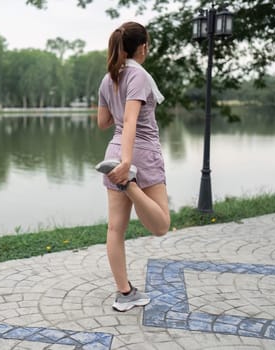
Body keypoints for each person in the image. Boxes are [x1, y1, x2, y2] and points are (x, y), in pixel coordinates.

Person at [95, 21, 171, 312]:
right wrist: (127, 165)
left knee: (115, 228)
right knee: (161, 225)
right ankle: (130, 185)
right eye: (147, 45)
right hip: (139, 153)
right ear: (142, 47)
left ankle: (124, 294)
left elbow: (104, 123)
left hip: (114, 151)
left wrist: (109, 94)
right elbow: (129, 121)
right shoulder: (138, 75)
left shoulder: (108, 78)